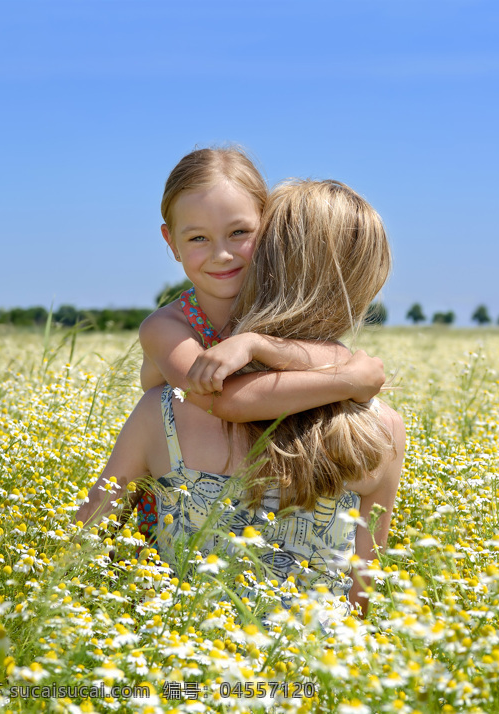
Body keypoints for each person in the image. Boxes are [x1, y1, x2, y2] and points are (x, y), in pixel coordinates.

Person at [76, 178, 405, 620]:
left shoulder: (165, 411)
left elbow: (84, 534)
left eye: (244, 235)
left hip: (187, 669)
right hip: (312, 677)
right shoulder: (385, 428)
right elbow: (362, 595)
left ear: (267, 261)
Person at [131, 147, 387, 548]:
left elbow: (326, 352)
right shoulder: (168, 327)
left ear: (267, 230)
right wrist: (350, 379)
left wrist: (257, 343)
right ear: (171, 241)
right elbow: (222, 401)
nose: (222, 254)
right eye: (198, 237)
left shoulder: (265, 321)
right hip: (165, 507)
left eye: (240, 233)